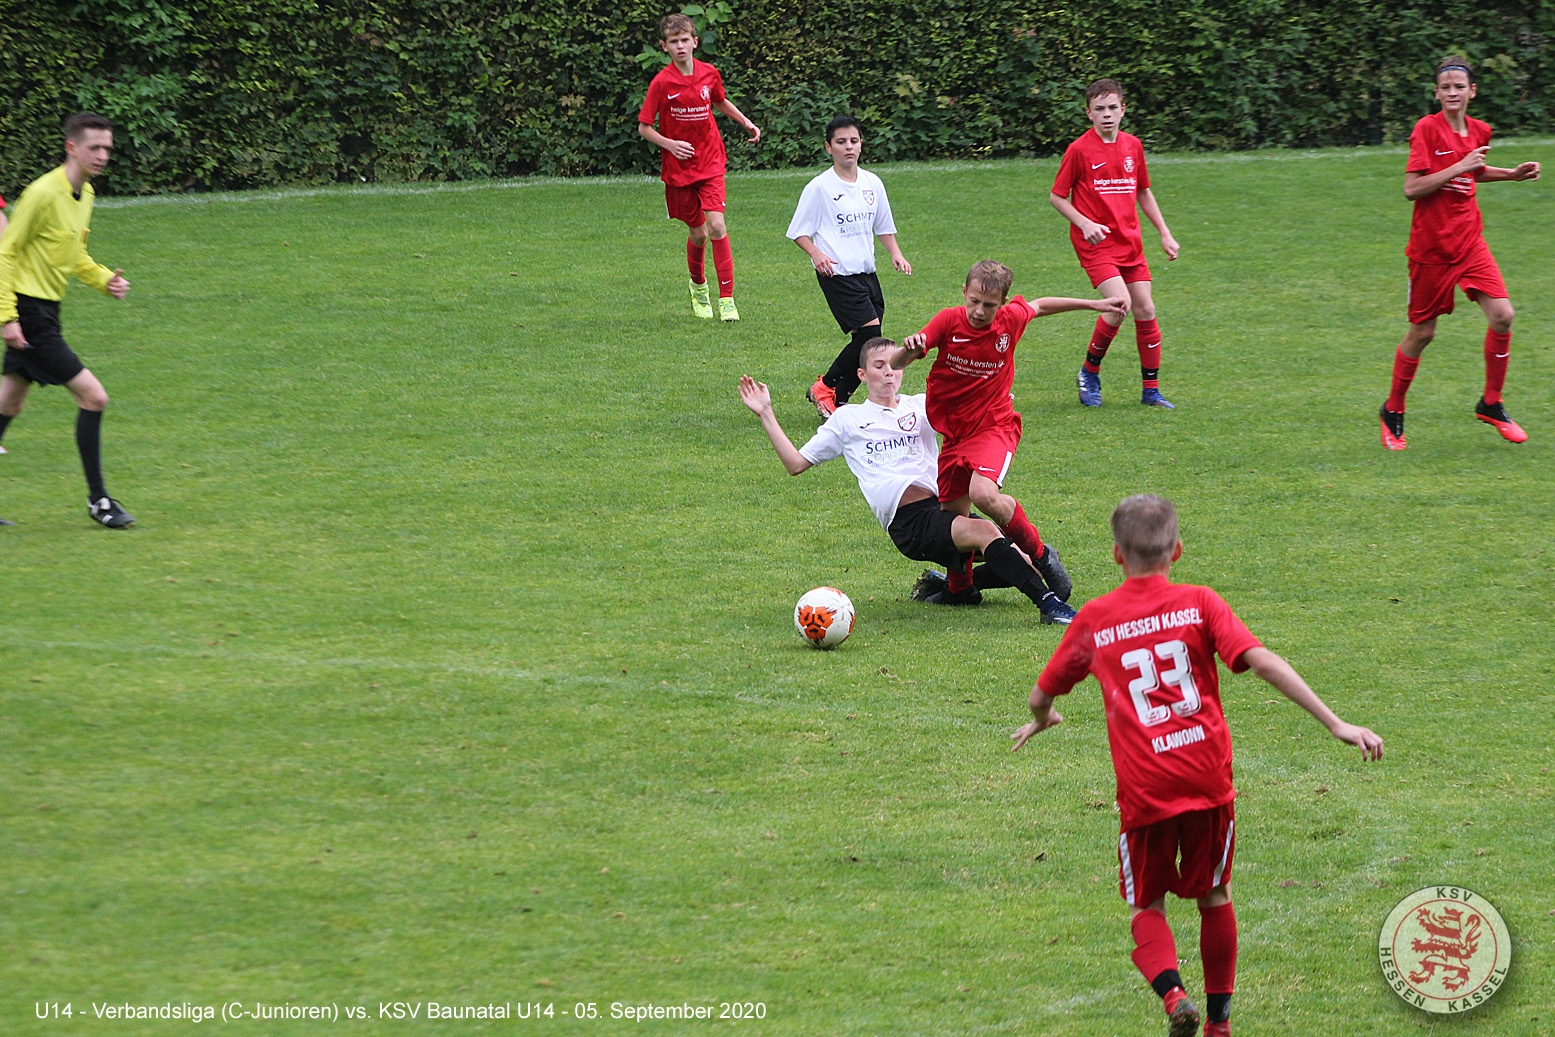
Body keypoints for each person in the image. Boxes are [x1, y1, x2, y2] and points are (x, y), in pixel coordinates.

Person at [1011, 494, 1384, 1037]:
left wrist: (1043, 717)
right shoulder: (1200, 603)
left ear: (1117, 555)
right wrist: (1335, 723)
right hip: (1206, 778)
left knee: (1147, 904)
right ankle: (1218, 1026)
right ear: (1177, 551)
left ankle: (1173, 996)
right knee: (1214, 894)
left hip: (1145, 788)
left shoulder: (1095, 619)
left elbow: (1040, 695)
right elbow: (1261, 661)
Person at [737, 338, 1074, 622]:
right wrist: (766, 412)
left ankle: (955, 587)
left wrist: (993, 401)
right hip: (910, 523)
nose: (889, 372)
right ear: (862, 374)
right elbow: (795, 463)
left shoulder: (922, 407)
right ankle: (1050, 606)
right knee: (985, 532)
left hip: (946, 509)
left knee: (1025, 564)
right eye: (879, 365)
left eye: (895, 365)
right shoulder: (847, 419)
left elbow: (967, 406)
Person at [891, 261, 1125, 611]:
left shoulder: (1010, 321)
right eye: (974, 301)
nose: (979, 311)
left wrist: (1097, 304)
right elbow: (896, 363)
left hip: (994, 426)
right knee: (953, 516)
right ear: (964, 293)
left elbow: (1040, 305)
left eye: (989, 305)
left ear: (1002, 304)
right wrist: (909, 349)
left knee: (983, 494)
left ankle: (1040, 555)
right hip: (954, 435)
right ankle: (960, 590)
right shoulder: (948, 321)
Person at [1379, 56, 1540, 450]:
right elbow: (1412, 189)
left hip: (1470, 242)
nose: (1452, 92)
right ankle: (1393, 410)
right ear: (1437, 93)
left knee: (1503, 315)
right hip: (1431, 250)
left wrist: (1510, 175)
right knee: (1423, 333)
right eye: (1445, 87)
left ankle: (1491, 404)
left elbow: (1475, 171)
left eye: (1459, 86)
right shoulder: (1426, 129)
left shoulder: (1479, 130)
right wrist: (1458, 166)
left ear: (1472, 91)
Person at [0, 112, 134, 528]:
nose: (103, 155)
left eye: (107, 148)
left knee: (9, 403)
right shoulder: (42, 193)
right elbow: (6, 252)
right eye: (95, 147)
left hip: (47, 312)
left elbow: (74, 256)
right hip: (28, 313)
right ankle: (100, 501)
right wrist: (7, 317)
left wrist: (104, 280)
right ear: (71, 148)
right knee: (94, 397)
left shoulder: (85, 194)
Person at [1049, 79, 1180, 409]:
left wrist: (1164, 233)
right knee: (1119, 304)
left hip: (1129, 241)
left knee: (1146, 309)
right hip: (1095, 244)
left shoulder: (1133, 146)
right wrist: (1085, 223)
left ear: (1123, 109)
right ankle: (1089, 372)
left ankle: (1151, 391)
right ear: (1088, 113)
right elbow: (1057, 196)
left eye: (1112, 108)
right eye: (1099, 109)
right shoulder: (1079, 150)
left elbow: (1143, 191)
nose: (1106, 114)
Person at [637, 13, 761, 323]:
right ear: (664, 46)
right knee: (699, 233)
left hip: (711, 161)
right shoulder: (661, 82)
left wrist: (745, 121)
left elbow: (719, 101)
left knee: (717, 226)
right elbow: (644, 127)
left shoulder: (709, 73)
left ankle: (727, 300)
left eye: (684, 40)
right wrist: (669, 144)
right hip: (679, 169)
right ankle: (698, 287)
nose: (680, 46)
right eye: (673, 42)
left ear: (694, 42)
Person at [786, 115, 911, 419]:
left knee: (867, 342)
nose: (848, 147)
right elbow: (798, 232)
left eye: (853, 141)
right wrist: (817, 255)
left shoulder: (872, 183)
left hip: (867, 273)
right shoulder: (819, 188)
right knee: (871, 335)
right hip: (837, 273)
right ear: (829, 147)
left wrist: (895, 253)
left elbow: (883, 225)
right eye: (841, 142)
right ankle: (825, 386)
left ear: (861, 144)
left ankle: (837, 400)